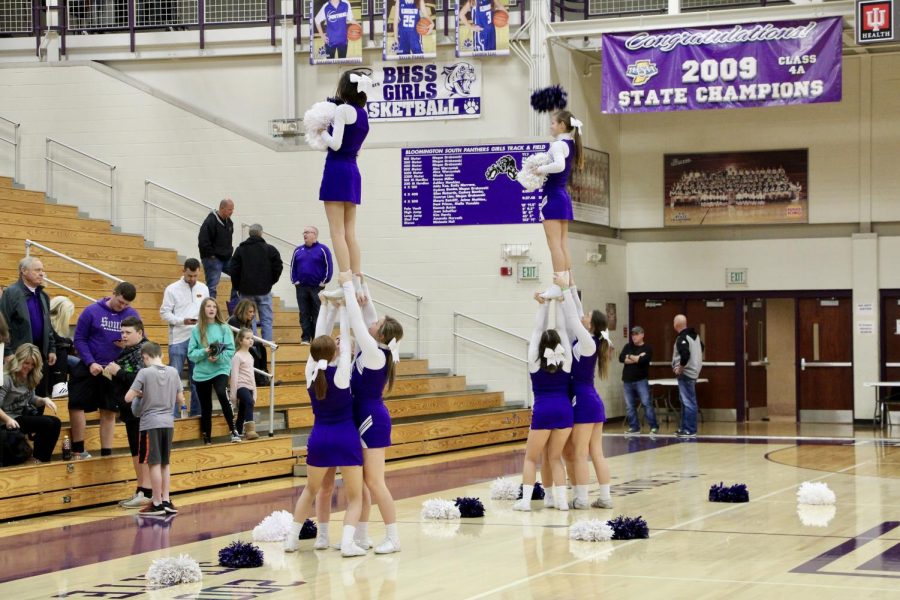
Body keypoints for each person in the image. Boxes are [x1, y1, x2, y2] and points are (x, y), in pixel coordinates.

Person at [284, 300, 366, 557]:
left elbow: (319, 338)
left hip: (319, 438)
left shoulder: (310, 372)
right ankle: (348, 543)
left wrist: (326, 308)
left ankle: (294, 540)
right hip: (345, 437)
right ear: (336, 353)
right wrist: (342, 308)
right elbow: (346, 341)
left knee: (312, 490)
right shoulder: (342, 373)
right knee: (355, 497)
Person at [341, 272, 403, 553]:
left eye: (376, 324)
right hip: (362, 414)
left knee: (376, 482)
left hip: (371, 419)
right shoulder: (377, 346)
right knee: (364, 483)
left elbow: (357, 321)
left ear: (380, 334)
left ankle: (393, 537)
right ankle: (361, 536)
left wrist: (347, 288)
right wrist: (362, 287)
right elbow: (368, 315)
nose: (372, 323)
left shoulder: (376, 353)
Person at [546, 279, 613, 510]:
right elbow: (578, 310)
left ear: (592, 326)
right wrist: (571, 285)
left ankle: (582, 499)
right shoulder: (591, 340)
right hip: (592, 401)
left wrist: (564, 290)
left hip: (584, 401)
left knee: (582, 453)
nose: (584, 316)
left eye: (588, 316)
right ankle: (605, 498)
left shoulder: (588, 342)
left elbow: (574, 319)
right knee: (596, 453)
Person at [512, 292, 573, 513]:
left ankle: (526, 502)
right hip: (565, 412)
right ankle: (562, 502)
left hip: (544, 411)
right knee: (555, 458)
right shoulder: (566, 361)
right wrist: (558, 303)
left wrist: (543, 305)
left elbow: (537, 331)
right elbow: (564, 331)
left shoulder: (535, 362)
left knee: (531, 458)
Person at [68, 282, 140, 460]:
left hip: (113, 369)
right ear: (113, 293)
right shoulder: (92, 310)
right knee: (76, 403)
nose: (122, 306)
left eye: (126, 304)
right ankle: (78, 449)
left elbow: (140, 338)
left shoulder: (131, 314)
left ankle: (106, 453)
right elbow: (79, 339)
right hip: (89, 365)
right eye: (120, 301)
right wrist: (90, 361)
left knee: (109, 409)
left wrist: (126, 344)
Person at [318, 69, 372, 304]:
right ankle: (357, 278)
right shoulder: (363, 114)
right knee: (350, 232)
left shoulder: (342, 110)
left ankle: (345, 280)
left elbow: (336, 144)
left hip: (337, 168)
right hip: (353, 170)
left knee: (336, 231)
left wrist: (321, 132)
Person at [125, 341, 185, 516]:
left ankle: (156, 502)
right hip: (168, 422)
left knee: (154, 463)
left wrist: (140, 394)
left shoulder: (144, 373)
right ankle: (166, 500)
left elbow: (128, 398)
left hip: (150, 423)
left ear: (145, 357)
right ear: (161, 355)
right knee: (165, 463)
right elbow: (180, 399)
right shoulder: (173, 372)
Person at [104, 317, 152, 509]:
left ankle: (147, 491)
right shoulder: (126, 352)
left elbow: (145, 380)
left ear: (140, 333)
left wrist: (118, 372)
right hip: (128, 410)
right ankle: (141, 489)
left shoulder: (145, 351)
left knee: (142, 451)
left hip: (143, 410)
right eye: (122, 332)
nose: (123, 336)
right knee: (135, 449)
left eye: (128, 332)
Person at [536, 110, 583, 301]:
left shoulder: (558, 145)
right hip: (562, 196)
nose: (551, 126)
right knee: (562, 243)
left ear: (563, 125)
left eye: (553, 123)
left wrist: (538, 169)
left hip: (554, 196)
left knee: (553, 243)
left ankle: (558, 283)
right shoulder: (570, 143)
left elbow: (559, 166)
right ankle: (569, 283)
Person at [0, 257, 57, 396]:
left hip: (40, 356)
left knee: (41, 396)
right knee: (18, 398)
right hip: (18, 357)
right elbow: (3, 324)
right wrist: (7, 353)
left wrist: (51, 348)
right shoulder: (11, 293)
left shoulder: (43, 296)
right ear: (23, 271)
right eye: (37, 270)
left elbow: (48, 326)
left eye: (42, 270)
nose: (42, 273)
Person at [160, 258, 208, 418]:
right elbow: (164, 313)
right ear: (183, 271)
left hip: (198, 339)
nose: (192, 279)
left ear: (199, 272)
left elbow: (207, 311)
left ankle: (197, 414)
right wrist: (182, 321)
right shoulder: (172, 289)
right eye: (189, 276)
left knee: (199, 378)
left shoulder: (204, 288)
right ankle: (171, 415)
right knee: (174, 378)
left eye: (195, 275)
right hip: (178, 339)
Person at [188, 297, 239, 444]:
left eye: (214, 307)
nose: (211, 309)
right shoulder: (196, 330)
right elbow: (191, 354)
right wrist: (204, 352)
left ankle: (234, 430)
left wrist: (218, 357)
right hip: (201, 373)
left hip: (220, 369)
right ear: (203, 310)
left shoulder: (224, 327)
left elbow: (230, 350)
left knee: (222, 393)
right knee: (206, 406)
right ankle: (207, 438)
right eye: (208, 306)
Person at [0, 344, 61, 464]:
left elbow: (31, 398)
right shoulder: (6, 379)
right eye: (26, 363)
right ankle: (38, 459)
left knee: (55, 422)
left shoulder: (29, 377)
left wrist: (43, 400)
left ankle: (42, 459)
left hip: (19, 417)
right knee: (47, 423)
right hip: (6, 419)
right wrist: (7, 420)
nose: (29, 367)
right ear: (19, 360)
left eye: (33, 364)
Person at [228, 224, 283, 343]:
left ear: (249, 234)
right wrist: (270, 282)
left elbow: (234, 269)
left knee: (248, 319)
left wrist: (237, 286)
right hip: (264, 290)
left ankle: (251, 344)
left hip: (246, 291)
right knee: (266, 318)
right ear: (261, 233)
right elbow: (278, 267)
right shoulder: (270, 249)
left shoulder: (241, 249)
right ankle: (268, 344)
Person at [290, 225, 333, 345]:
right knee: (304, 313)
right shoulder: (298, 250)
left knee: (317, 313)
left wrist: (323, 282)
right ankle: (305, 338)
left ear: (315, 235)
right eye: (304, 232)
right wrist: (295, 281)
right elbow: (293, 267)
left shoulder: (323, 249)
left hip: (316, 288)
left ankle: (316, 338)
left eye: (308, 232)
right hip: (301, 288)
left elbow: (329, 267)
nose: (305, 234)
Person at [620, 325, 658, 436]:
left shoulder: (647, 348)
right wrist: (635, 358)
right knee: (630, 406)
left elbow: (643, 360)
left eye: (636, 334)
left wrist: (630, 357)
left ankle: (654, 426)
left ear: (642, 335)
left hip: (641, 380)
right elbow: (621, 358)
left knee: (646, 403)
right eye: (632, 334)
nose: (634, 336)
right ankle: (634, 427)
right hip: (627, 380)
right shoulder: (627, 346)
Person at [197, 198, 237, 303]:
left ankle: (234, 303)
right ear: (222, 208)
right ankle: (210, 311)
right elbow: (203, 240)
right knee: (212, 286)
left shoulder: (230, 223)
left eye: (232, 209)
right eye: (229, 209)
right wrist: (211, 255)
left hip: (226, 258)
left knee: (239, 272)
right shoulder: (210, 221)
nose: (232, 212)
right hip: (213, 258)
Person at [672, 314, 703, 438]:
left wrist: (680, 367)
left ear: (676, 324)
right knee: (685, 401)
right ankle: (684, 428)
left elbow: (685, 354)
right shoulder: (695, 337)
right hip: (694, 372)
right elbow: (702, 347)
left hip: (686, 373)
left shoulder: (682, 337)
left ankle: (690, 429)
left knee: (689, 402)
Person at [227, 299, 269, 387]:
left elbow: (248, 339)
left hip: (242, 346)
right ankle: (259, 379)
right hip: (233, 348)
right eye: (250, 311)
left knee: (261, 348)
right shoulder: (234, 320)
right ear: (243, 311)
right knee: (253, 353)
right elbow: (239, 340)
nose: (253, 314)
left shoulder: (247, 322)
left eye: (253, 312)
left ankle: (264, 376)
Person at [230, 328, 260, 441]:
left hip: (250, 386)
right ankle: (250, 431)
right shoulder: (237, 356)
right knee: (248, 401)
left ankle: (236, 431)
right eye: (247, 338)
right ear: (240, 341)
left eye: (252, 338)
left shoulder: (250, 356)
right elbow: (234, 376)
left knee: (243, 410)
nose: (251, 340)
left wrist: (255, 392)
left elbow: (252, 376)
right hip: (240, 386)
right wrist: (233, 395)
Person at [47, 296, 75, 397]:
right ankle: (59, 384)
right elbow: (55, 341)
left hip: (58, 357)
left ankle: (62, 385)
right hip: (48, 355)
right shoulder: (47, 322)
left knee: (80, 363)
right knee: (62, 348)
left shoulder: (55, 323)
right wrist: (68, 343)